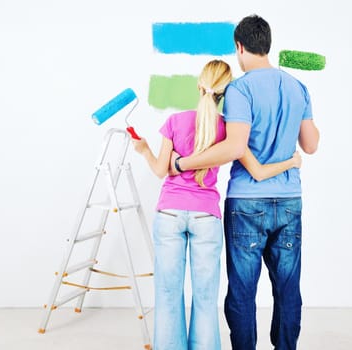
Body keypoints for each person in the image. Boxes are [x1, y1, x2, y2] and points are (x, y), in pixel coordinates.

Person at [171, 15, 320, 350]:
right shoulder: (298, 87)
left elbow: (235, 146)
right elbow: (310, 145)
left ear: (240, 47)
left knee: (242, 291)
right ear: (267, 44)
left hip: (246, 203)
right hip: (289, 199)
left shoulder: (240, 88)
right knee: (287, 289)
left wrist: (182, 163)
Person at [132, 59, 302, 350]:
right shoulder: (229, 130)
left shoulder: (174, 121)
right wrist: (292, 161)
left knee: (168, 293)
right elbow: (258, 170)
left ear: (200, 85)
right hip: (206, 217)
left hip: (170, 213)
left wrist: (144, 149)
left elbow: (162, 170)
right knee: (206, 297)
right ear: (225, 92)